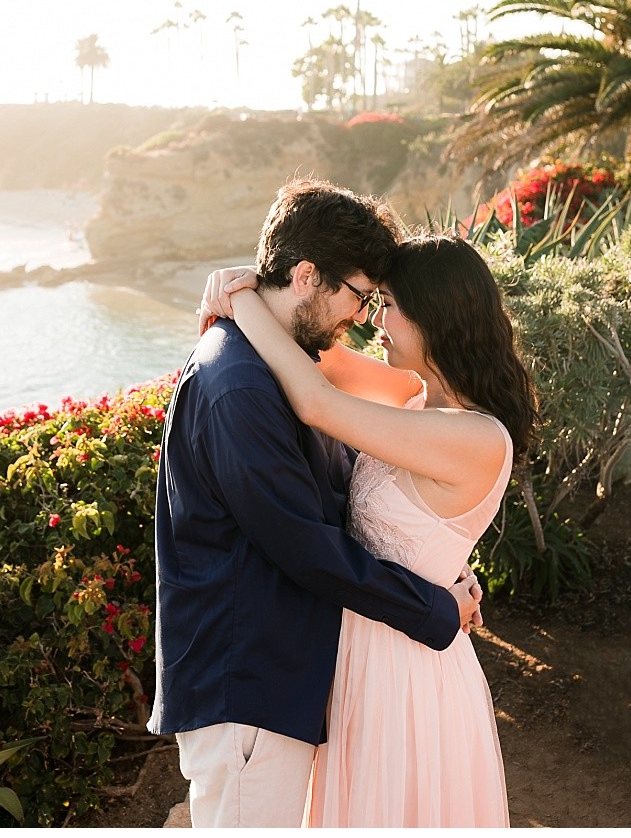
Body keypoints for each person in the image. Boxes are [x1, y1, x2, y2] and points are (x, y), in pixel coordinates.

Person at [146, 179, 481, 827]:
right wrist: (435, 609)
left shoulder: (279, 364)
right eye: (358, 295)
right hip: (245, 688)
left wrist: (438, 564)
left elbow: (342, 497)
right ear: (305, 275)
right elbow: (307, 547)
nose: (360, 317)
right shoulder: (236, 384)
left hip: (274, 681)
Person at [201, 230, 525, 826]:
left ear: (436, 318)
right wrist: (253, 283)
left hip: (405, 673)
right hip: (356, 649)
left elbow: (316, 401)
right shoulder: (413, 393)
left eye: (392, 306)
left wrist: (239, 299)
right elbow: (309, 349)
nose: (378, 320)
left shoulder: (478, 437)